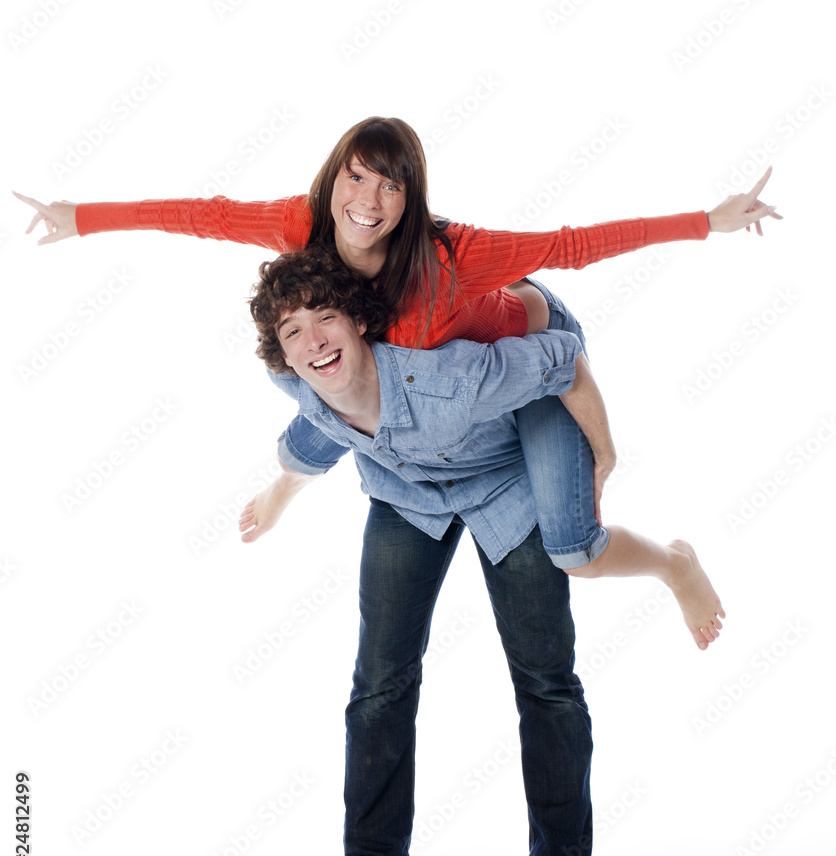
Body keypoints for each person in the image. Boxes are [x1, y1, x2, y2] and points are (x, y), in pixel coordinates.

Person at [13, 117, 779, 650]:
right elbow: (202, 216)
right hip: (430, 390)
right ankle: (288, 483)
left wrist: (707, 221)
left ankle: (675, 565)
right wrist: (82, 217)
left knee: (574, 551)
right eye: (356, 178)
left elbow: (572, 245)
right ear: (334, 178)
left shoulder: (453, 255)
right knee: (325, 384)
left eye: (389, 186)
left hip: (530, 357)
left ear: (410, 198)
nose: (367, 202)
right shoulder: (303, 226)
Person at [238, 247, 724, 856]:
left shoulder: (447, 376)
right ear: (282, 357)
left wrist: (604, 452)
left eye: (326, 318)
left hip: (506, 482)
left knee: (545, 679)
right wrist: (277, 493)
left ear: (361, 322)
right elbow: (315, 431)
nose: (312, 340)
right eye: (293, 331)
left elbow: (560, 356)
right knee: (378, 682)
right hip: (407, 495)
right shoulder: (304, 381)